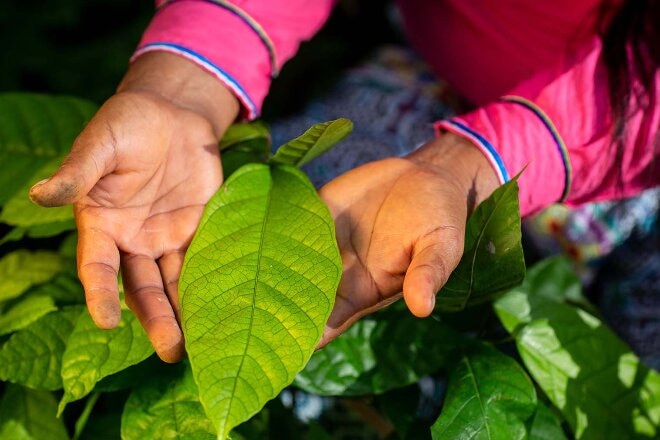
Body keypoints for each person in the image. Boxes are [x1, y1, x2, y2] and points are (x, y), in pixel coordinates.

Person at [28, 0, 659, 363]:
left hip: (635, 129)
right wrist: (184, 82)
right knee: (360, 260)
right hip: (440, 79)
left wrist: (481, 160)